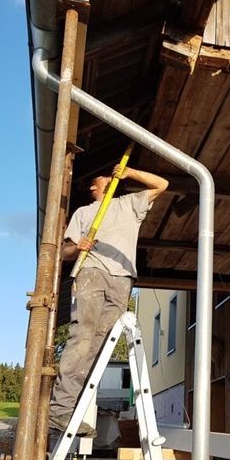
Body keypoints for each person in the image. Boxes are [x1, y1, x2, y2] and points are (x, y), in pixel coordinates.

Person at [48, 164, 168, 437]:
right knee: (83, 337)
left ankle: (73, 411)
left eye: (103, 176)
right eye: (98, 178)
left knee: (101, 346)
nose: (103, 179)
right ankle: (60, 409)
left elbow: (161, 184)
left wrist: (131, 173)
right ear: (94, 188)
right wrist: (76, 247)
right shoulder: (83, 212)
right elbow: (63, 252)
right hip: (92, 273)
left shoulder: (129, 204)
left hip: (123, 278)